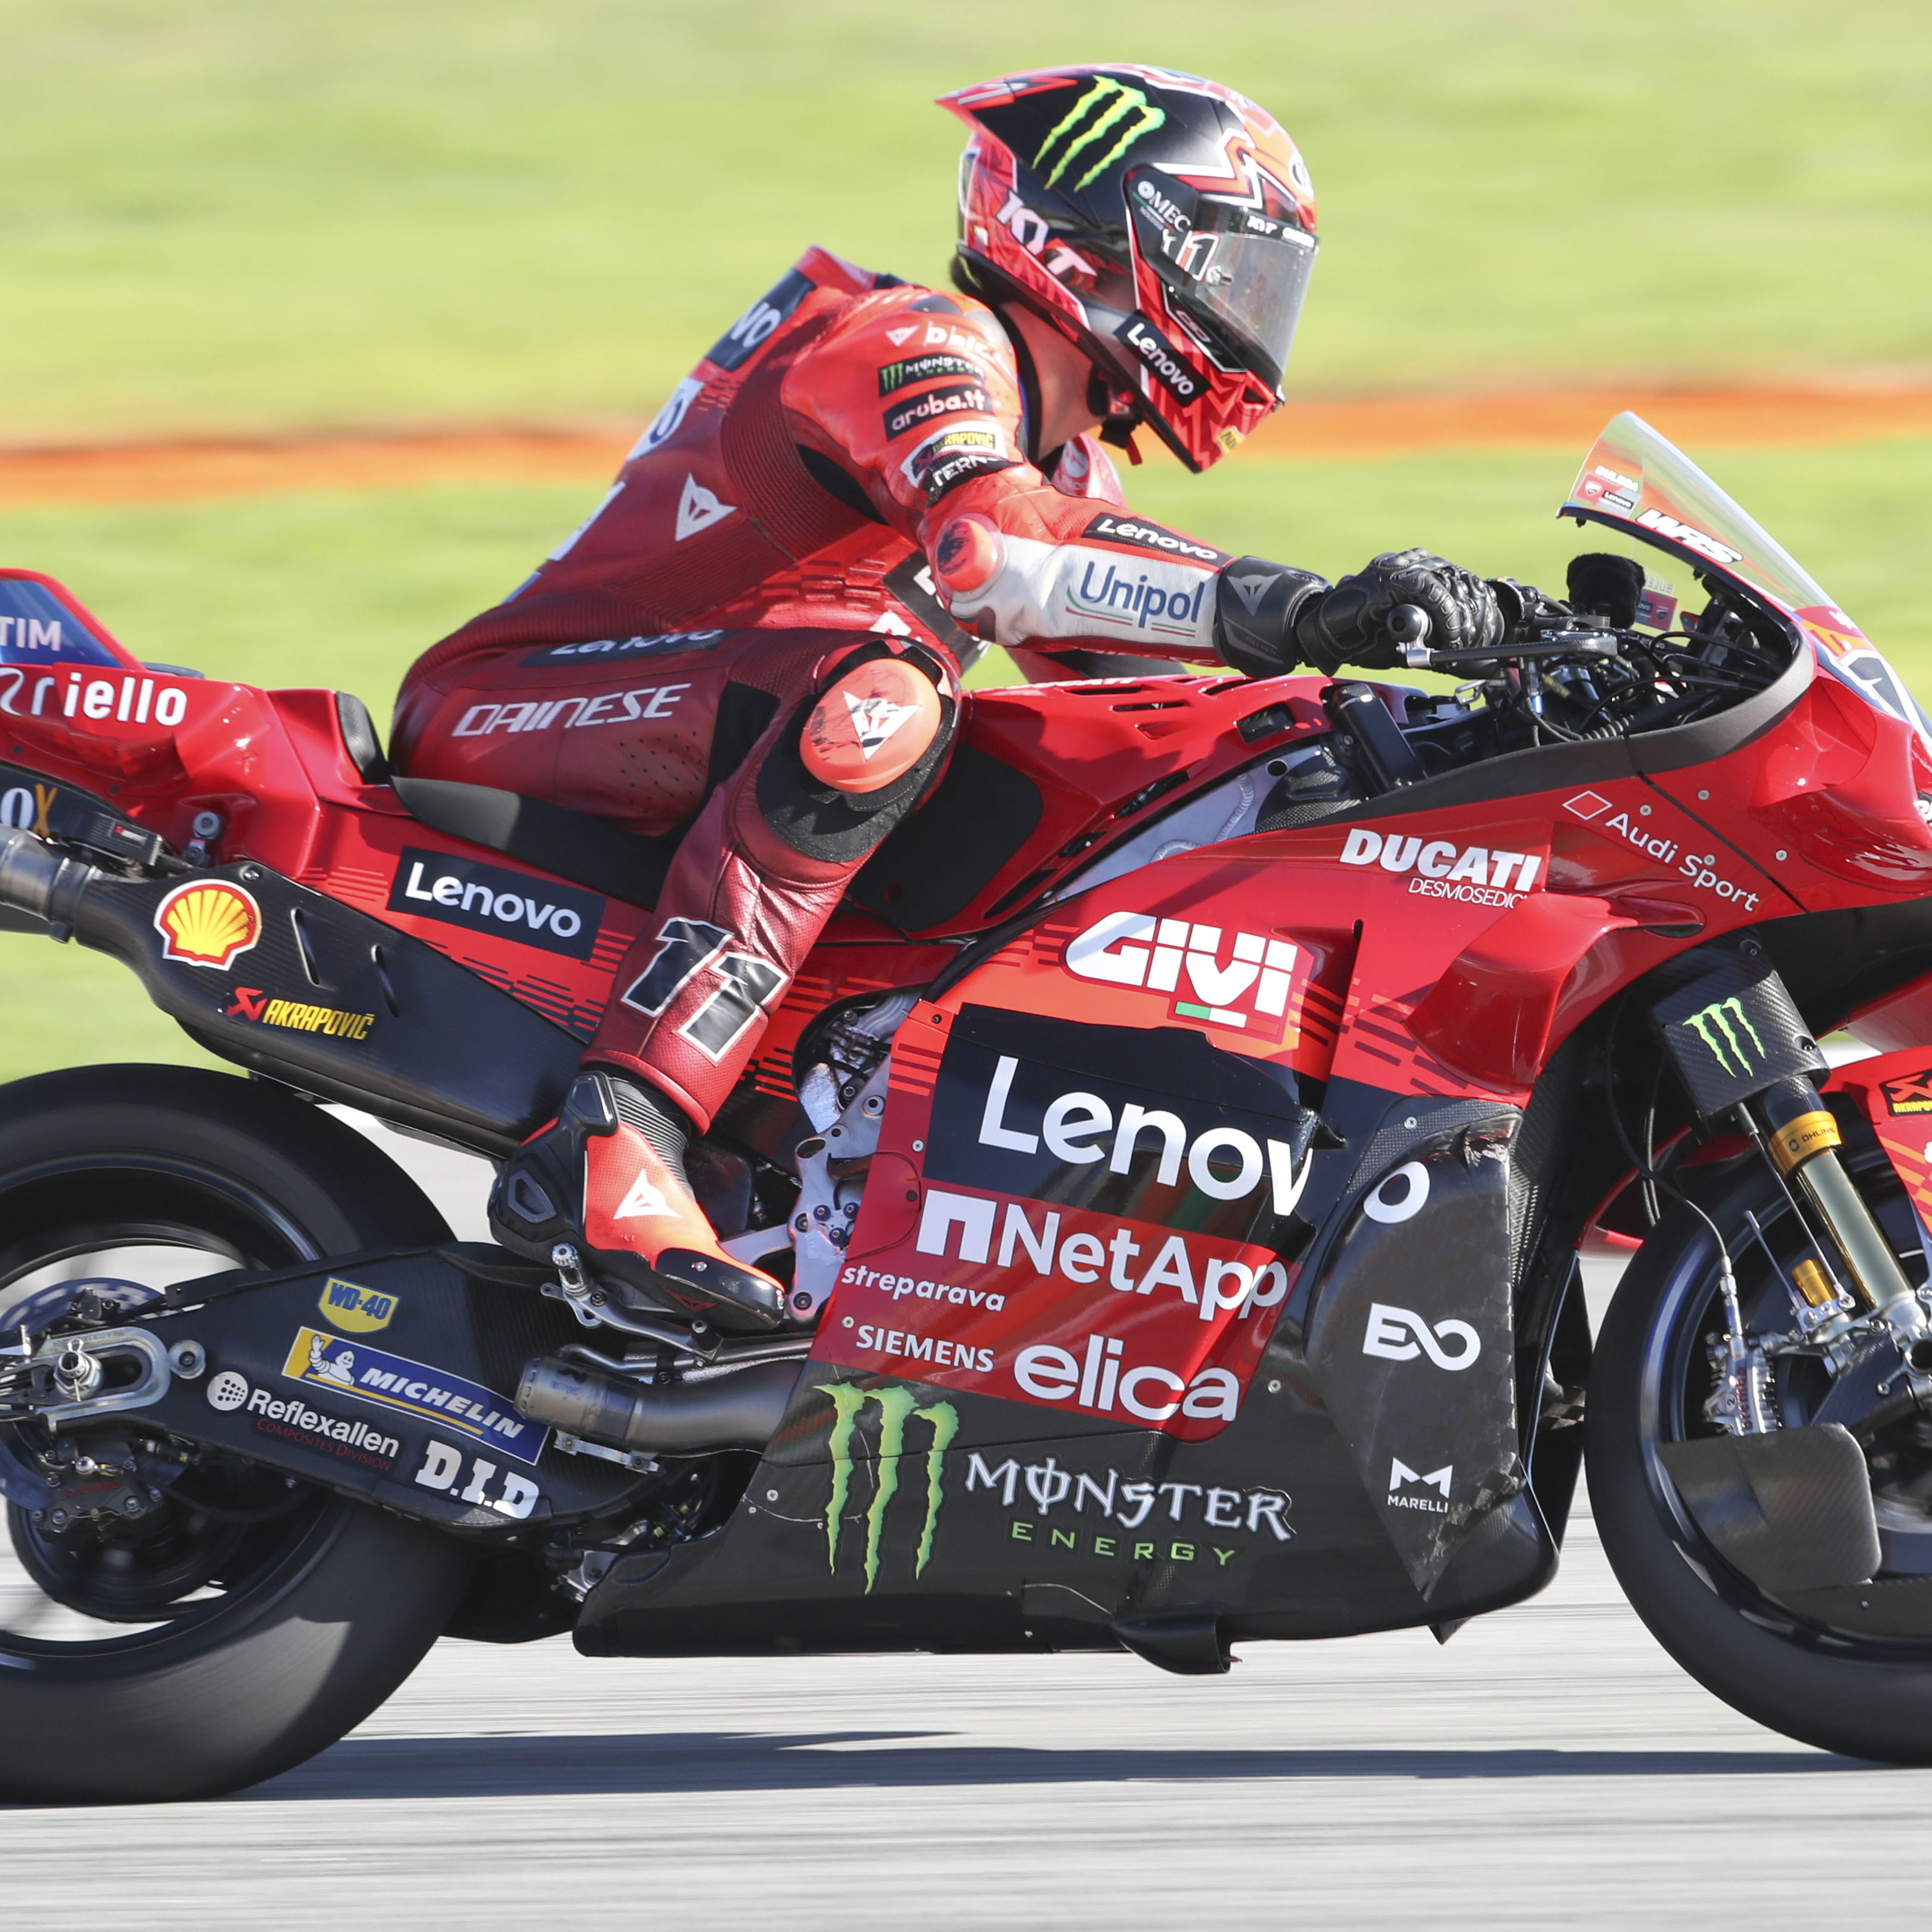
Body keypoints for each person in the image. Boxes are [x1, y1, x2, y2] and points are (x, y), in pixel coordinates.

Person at [391, 63, 1510, 1333]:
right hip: (516, 711)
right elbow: (999, 553)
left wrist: (1382, 725)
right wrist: (1302, 605)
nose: (1251, 320)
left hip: (697, 730)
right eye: (1230, 271)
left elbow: (1145, 710)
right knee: (880, 697)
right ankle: (619, 1135)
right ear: (1097, 242)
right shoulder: (914, 339)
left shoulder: (1064, 451)